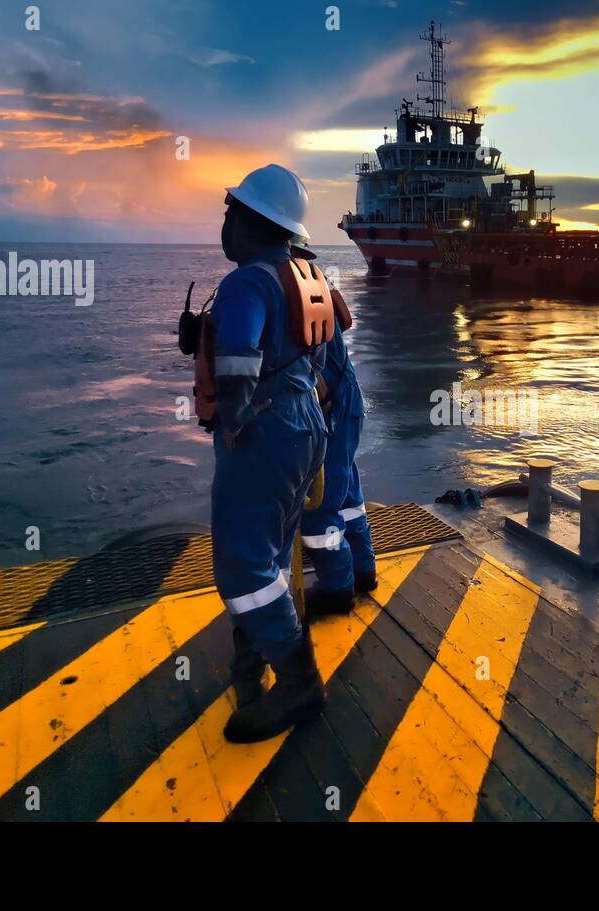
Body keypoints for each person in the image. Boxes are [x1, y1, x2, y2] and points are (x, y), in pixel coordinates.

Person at [209, 164, 327, 743]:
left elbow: (236, 357)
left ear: (255, 222)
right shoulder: (303, 274)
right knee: (271, 557)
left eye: (231, 211)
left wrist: (232, 421)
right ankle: (248, 667)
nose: (225, 221)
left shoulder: (246, 283)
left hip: (263, 429)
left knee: (240, 565)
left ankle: (299, 682)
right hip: (304, 423)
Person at [299, 279, 376, 616]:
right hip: (346, 398)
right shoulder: (315, 283)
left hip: (326, 405)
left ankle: (336, 587)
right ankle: (362, 570)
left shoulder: (284, 285)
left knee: (319, 502)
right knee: (346, 494)